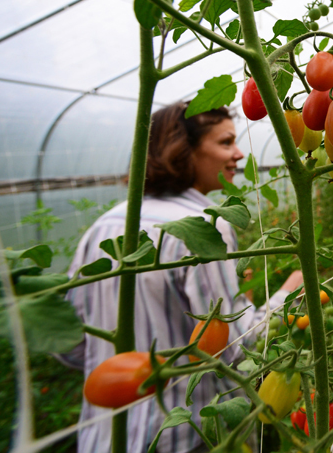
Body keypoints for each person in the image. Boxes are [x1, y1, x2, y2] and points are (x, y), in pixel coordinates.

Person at [58, 102, 302, 453]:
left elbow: (70, 344)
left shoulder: (106, 224)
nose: (237, 154)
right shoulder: (205, 225)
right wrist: (286, 294)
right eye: (225, 142)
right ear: (183, 149)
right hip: (181, 437)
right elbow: (235, 348)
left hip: (102, 438)